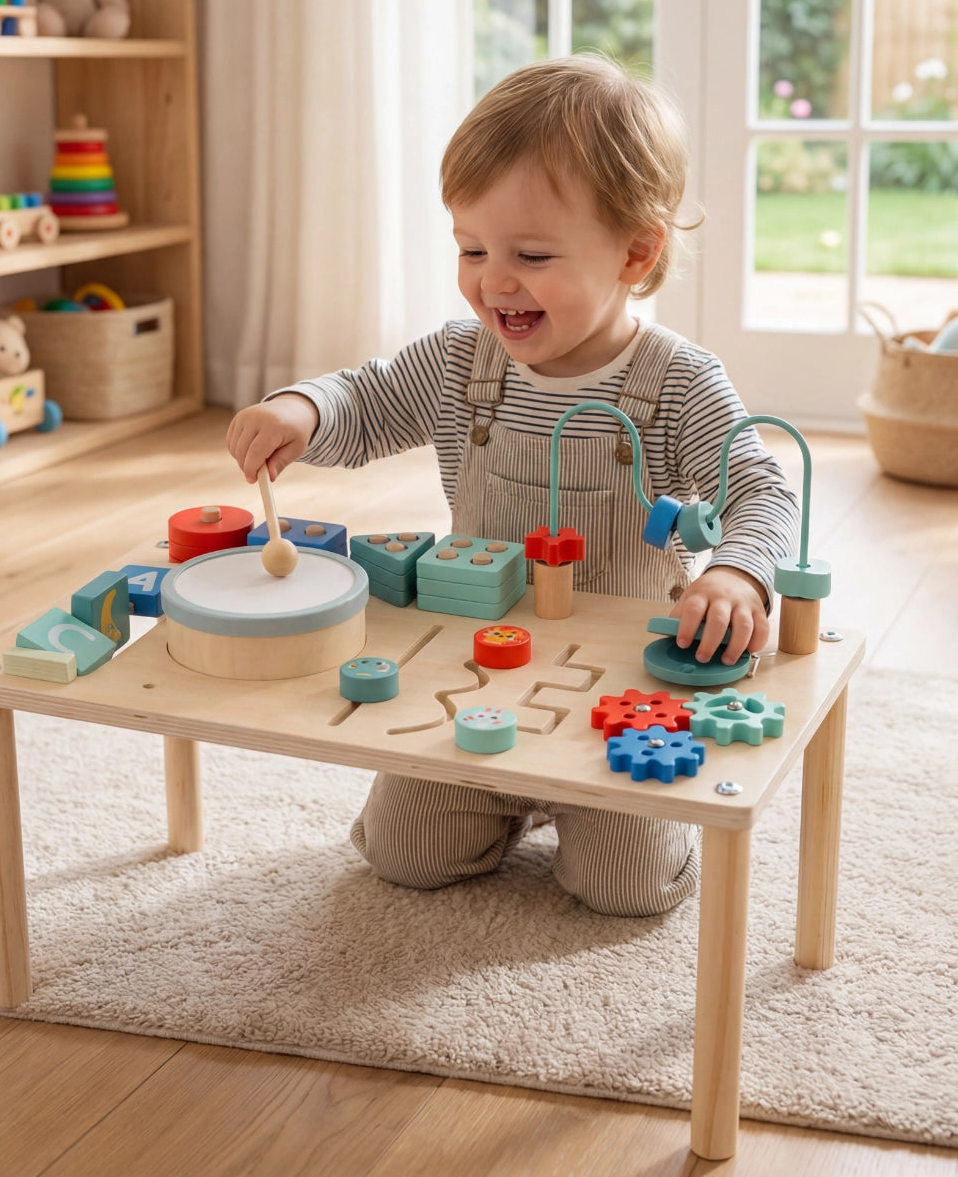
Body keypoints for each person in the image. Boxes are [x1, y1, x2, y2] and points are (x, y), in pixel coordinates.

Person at [227, 55, 799, 918]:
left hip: (621, 693)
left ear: (637, 253)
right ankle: (509, 798)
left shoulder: (678, 380)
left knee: (627, 889)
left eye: (532, 254)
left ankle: (620, 820)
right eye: (471, 248)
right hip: (474, 676)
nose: (493, 280)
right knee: (403, 857)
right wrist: (306, 407)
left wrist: (737, 571)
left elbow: (763, 485)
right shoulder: (463, 359)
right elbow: (371, 396)